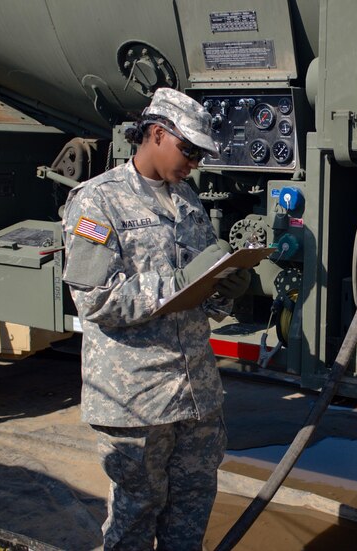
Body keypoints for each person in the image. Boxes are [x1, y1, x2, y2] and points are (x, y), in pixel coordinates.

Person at [62, 87, 250, 550]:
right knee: (135, 515)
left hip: (196, 394)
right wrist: (181, 283)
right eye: (188, 150)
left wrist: (224, 292)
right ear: (156, 134)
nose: (194, 163)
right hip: (136, 399)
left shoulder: (187, 199)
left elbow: (201, 292)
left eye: (201, 155)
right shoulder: (97, 202)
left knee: (191, 512)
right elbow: (95, 298)